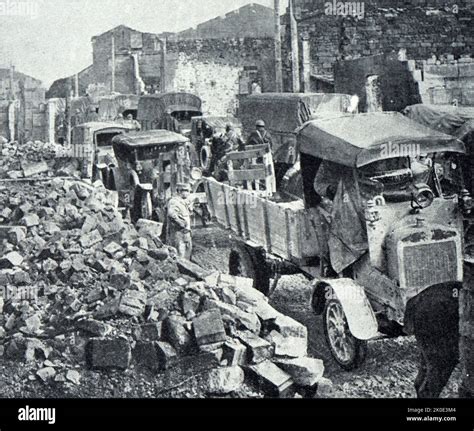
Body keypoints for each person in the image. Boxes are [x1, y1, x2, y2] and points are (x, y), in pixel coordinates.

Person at [166, 182, 193, 259]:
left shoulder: (183, 202)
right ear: (180, 191)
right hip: (178, 233)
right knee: (180, 256)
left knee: (187, 256)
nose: (188, 193)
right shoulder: (174, 201)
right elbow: (171, 214)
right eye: (186, 191)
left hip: (186, 233)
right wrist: (180, 223)